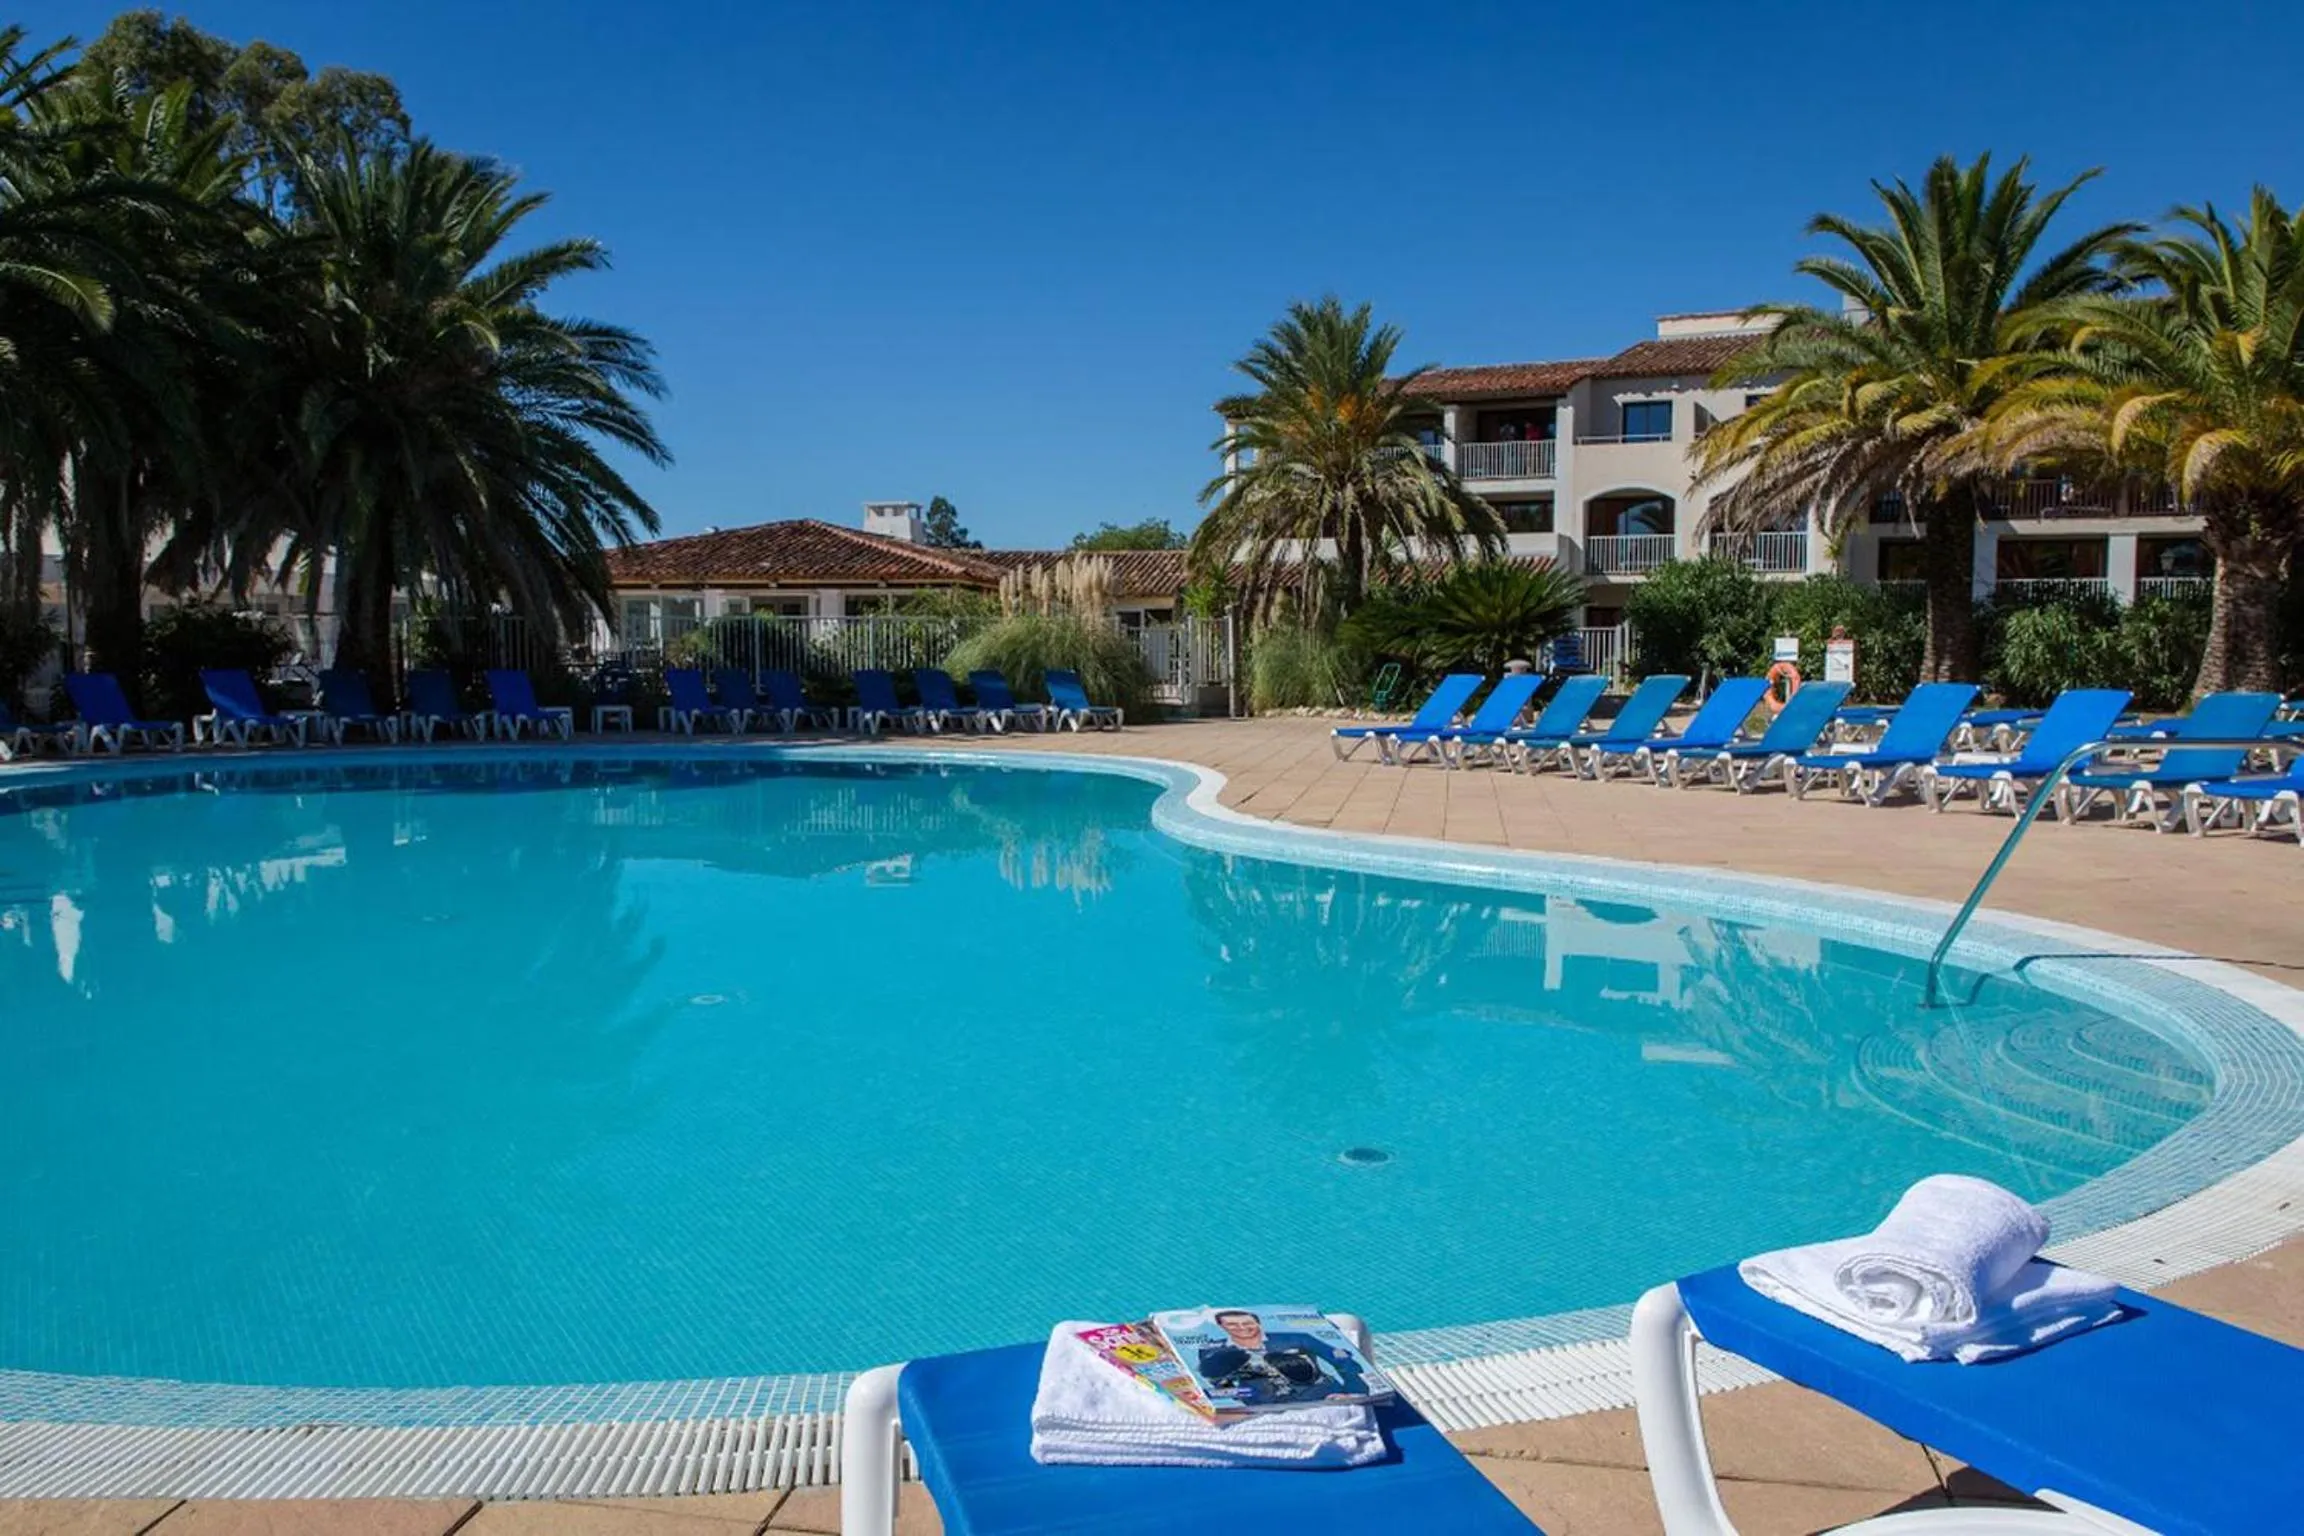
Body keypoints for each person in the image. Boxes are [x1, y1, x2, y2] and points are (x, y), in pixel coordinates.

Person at [1193, 1310, 1371, 1405]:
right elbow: (1217, 1385)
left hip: (1323, 1398)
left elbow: (1341, 1359)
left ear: (1258, 1323)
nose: (1242, 1327)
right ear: (1221, 1326)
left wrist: (1352, 1391)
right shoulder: (1213, 1351)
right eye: (1232, 1324)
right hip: (1264, 1407)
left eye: (1247, 1323)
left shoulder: (1295, 1338)